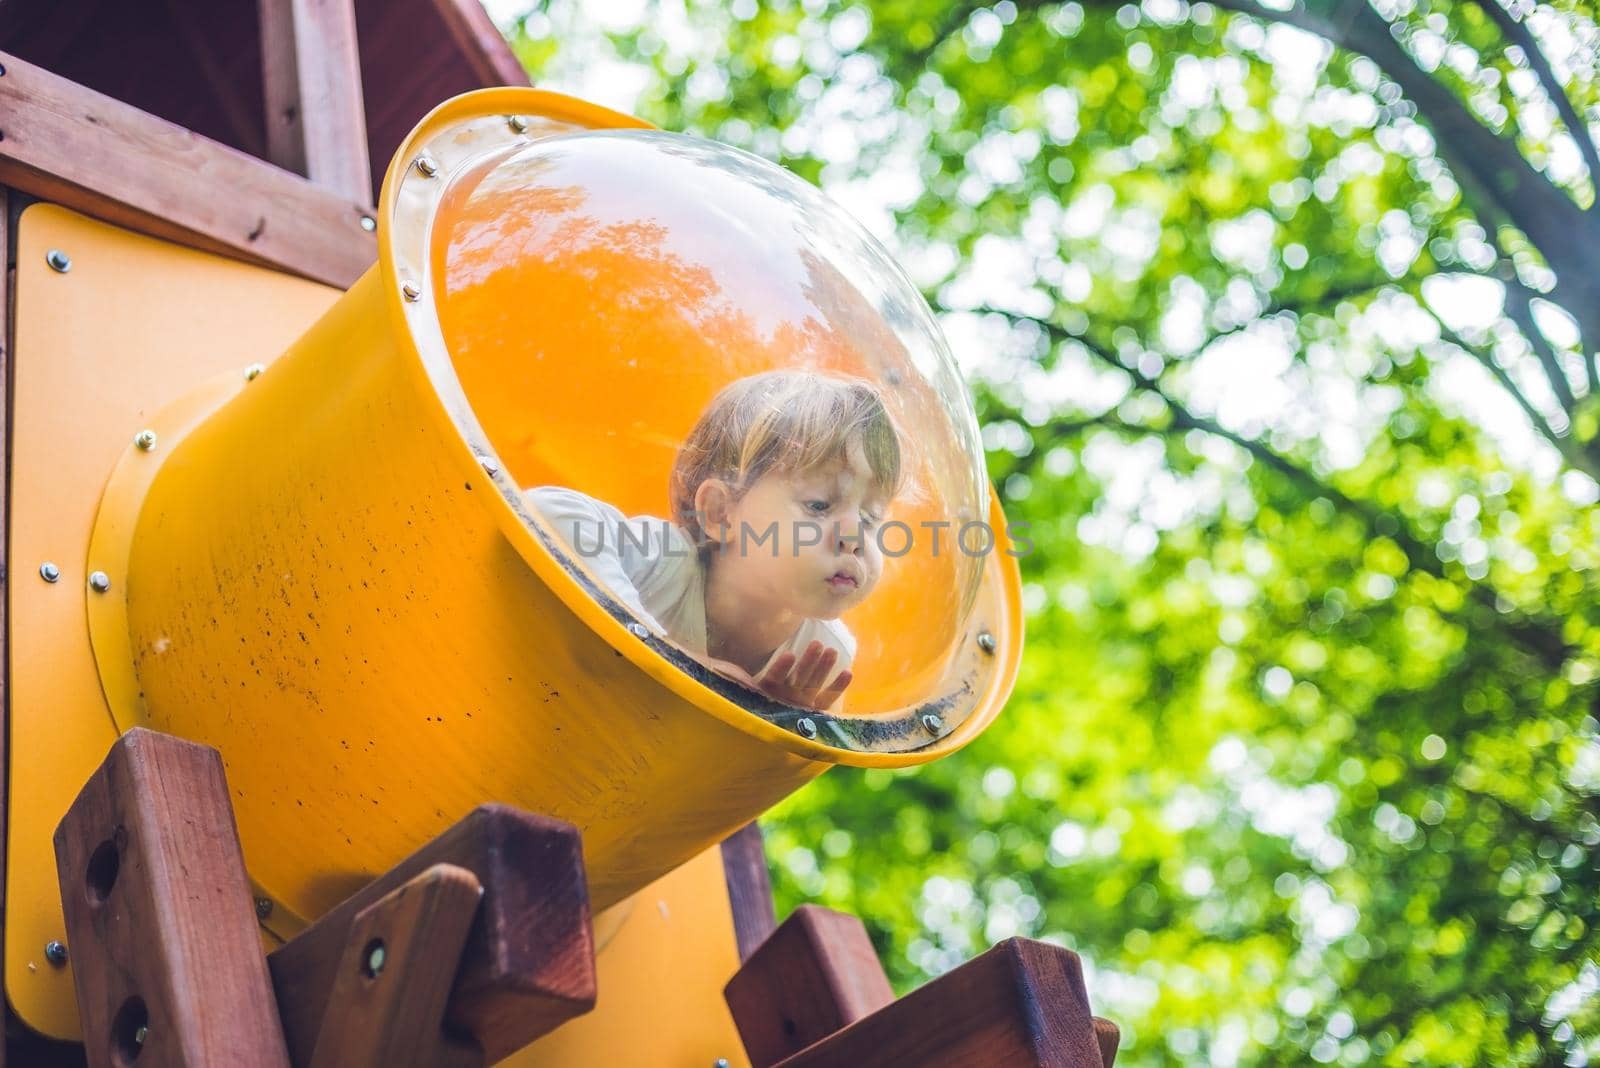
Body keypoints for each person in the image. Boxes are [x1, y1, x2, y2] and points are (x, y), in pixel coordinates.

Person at [524, 370, 904, 711]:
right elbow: (548, 509)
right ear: (721, 513)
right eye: (819, 505)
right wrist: (662, 651)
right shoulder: (661, 562)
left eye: (871, 518)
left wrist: (777, 725)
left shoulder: (824, 653)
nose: (854, 538)